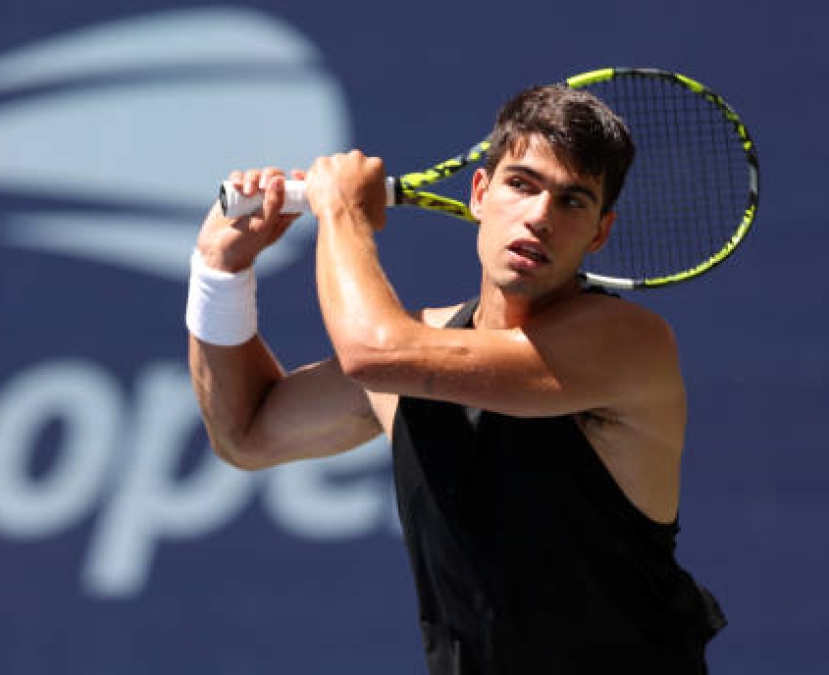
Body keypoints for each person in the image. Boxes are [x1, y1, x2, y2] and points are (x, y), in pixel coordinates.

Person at [185, 84, 726, 674]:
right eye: (522, 183)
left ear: (598, 233)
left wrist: (342, 212)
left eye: (573, 201)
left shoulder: (629, 345)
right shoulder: (420, 351)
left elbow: (374, 351)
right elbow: (245, 432)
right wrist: (220, 271)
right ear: (479, 191)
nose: (541, 215)